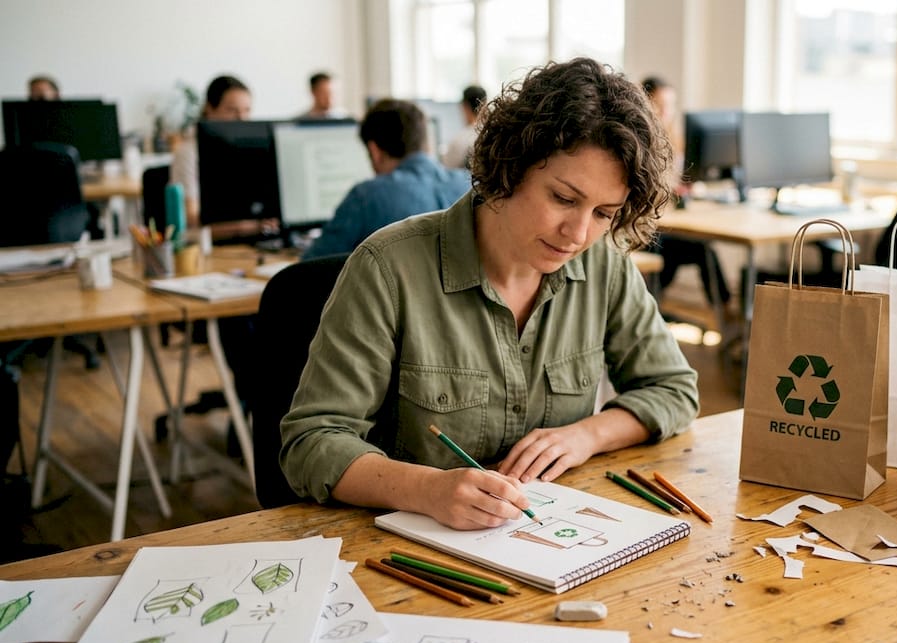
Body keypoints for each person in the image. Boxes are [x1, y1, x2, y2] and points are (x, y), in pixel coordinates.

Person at [280, 58, 699, 530]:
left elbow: (674, 389)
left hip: (545, 537)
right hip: (407, 548)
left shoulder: (604, 265)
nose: (578, 233)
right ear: (509, 167)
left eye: (604, 212)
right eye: (563, 198)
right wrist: (427, 489)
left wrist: (586, 435)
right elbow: (312, 441)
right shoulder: (387, 267)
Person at [302, 99, 470, 259]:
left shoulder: (366, 197)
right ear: (425, 141)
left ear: (374, 151)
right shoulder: (469, 185)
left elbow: (310, 267)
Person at [639, 76, 732, 312]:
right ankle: (652, 306)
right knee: (701, 250)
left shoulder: (673, 139)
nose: (666, 112)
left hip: (665, 226)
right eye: (660, 104)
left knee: (702, 249)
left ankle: (724, 312)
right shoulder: (637, 142)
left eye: (671, 104)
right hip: (644, 232)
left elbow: (675, 179)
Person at [169, 75, 253, 227]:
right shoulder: (189, 152)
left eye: (247, 111)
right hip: (212, 245)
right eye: (232, 110)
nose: (242, 119)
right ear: (209, 109)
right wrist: (243, 228)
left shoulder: (247, 149)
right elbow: (191, 220)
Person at [440, 84, 486, 169]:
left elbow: (445, 170)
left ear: (465, 106)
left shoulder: (459, 140)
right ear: (485, 104)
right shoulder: (491, 134)